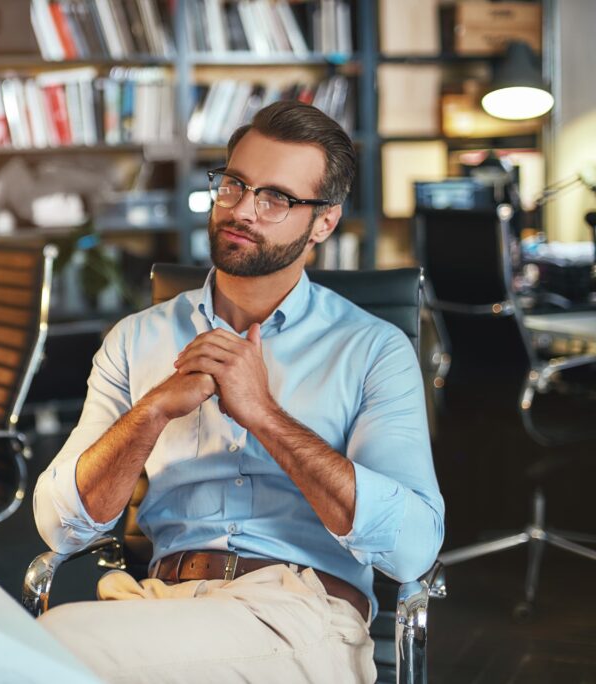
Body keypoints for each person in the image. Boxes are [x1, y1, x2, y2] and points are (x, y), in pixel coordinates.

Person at [33, 101, 444, 684]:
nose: (243, 210)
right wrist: (152, 411)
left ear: (323, 223)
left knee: (53, 646)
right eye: (234, 185)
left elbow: (412, 551)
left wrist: (265, 417)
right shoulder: (136, 340)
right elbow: (61, 526)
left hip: (301, 617)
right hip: (159, 605)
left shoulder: (373, 349)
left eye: (276, 198)